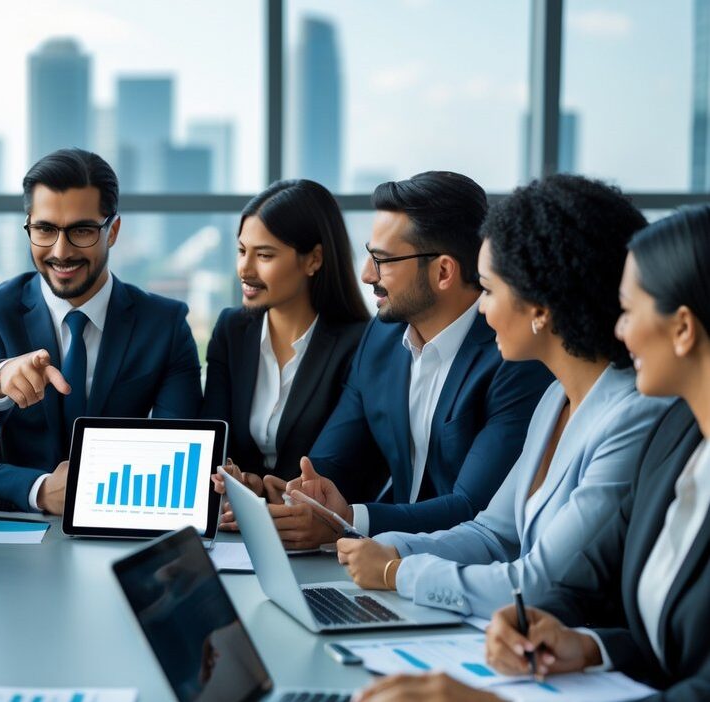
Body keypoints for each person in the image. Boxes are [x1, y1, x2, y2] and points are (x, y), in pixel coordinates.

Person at [331, 175, 672, 617]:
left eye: (489, 290)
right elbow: (493, 534)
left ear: (540, 309)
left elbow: (537, 582)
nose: (482, 307)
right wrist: (389, 545)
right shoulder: (555, 399)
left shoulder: (632, 415)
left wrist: (398, 572)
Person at [480, 205, 710, 698]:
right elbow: (590, 581)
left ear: (684, 328)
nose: (618, 331)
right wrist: (570, 639)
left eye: (628, 311)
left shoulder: (642, 418)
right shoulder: (676, 435)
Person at [271, 171, 553, 549]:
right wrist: (300, 496)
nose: (367, 273)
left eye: (382, 260)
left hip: (463, 574)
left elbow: (474, 507)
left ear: (443, 272)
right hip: (379, 562)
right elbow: (336, 460)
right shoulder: (382, 338)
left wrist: (350, 520)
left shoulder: (513, 358)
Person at [0, 148, 202, 513]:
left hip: (118, 531)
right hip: (9, 537)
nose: (61, 252)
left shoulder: (164, 324)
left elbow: (183, 456)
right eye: (45, 229)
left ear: (113, 231)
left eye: (82, 230)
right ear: (29, 225)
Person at [203, 180, 368, 516]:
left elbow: (342, 463)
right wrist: (236, 478)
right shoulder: (231, 331)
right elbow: (212, 440)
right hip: (237, 524)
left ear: (314, 259)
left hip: (319, 531)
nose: (245, 269)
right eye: (241, 251)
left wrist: (265, 490)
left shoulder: (359, 344)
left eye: (264, 255)